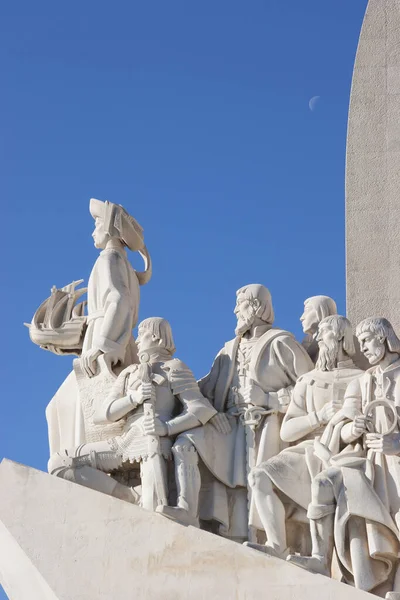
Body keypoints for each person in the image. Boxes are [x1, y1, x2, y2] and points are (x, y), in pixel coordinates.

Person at [157, 284, 313, 541]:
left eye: (239, 306)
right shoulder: (229, 349)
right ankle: (187, 508)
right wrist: (170, 380)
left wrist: (270, 399)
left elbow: (310, 386)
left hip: (265, 424)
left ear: (254, 307)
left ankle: (264, 540)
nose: (235, 311)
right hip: (228, 424)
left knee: (255, 484)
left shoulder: (281, 342)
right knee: (186, 443)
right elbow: (204, 389)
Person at [48, 318, 216, 511]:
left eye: (142, 334)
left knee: (154, 510)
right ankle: (130, 496)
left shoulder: (174, 367)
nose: (136, 341)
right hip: (125, 442)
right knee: (60, 464)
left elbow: (200, 409)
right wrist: (133, 399)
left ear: (157, 338)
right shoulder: (129, 373)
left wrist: (167, 428)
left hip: (155, 442)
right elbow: (102, 414)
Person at [288, 317, 400, 599]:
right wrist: (354, 429)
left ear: (384, 338)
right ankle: (318, 557)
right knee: (325, 482)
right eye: (360, 342)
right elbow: (343, 425)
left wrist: (394, 442)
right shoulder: (363, 382)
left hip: (395, 462)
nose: (363, 348)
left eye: (367, 340)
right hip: (371, 463)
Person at [246, 315, 363, 559]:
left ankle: (321, 557)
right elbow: (287, 430)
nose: (318, 337)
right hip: (310, 448)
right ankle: (277, 545)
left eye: (324, 332)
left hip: (347, 451)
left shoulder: (362, 379)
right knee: (259, 477)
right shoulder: (308, 380)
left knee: (323, 484)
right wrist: (318, 416)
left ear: (341, 336)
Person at [46, 198, 152, 456]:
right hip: (111, 339)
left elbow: (119, 300)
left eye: (97, 223)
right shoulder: (120, 261)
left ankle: (76, 464)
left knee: (62, 406)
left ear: (110, 228)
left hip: (108, 345)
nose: (93, 230)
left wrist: (103, 345)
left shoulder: (109, 258)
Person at [300, 295, 337, 363]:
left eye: (307, 310)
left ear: (322, 310)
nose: (302, 317)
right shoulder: (306, 342)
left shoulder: (335, 340)